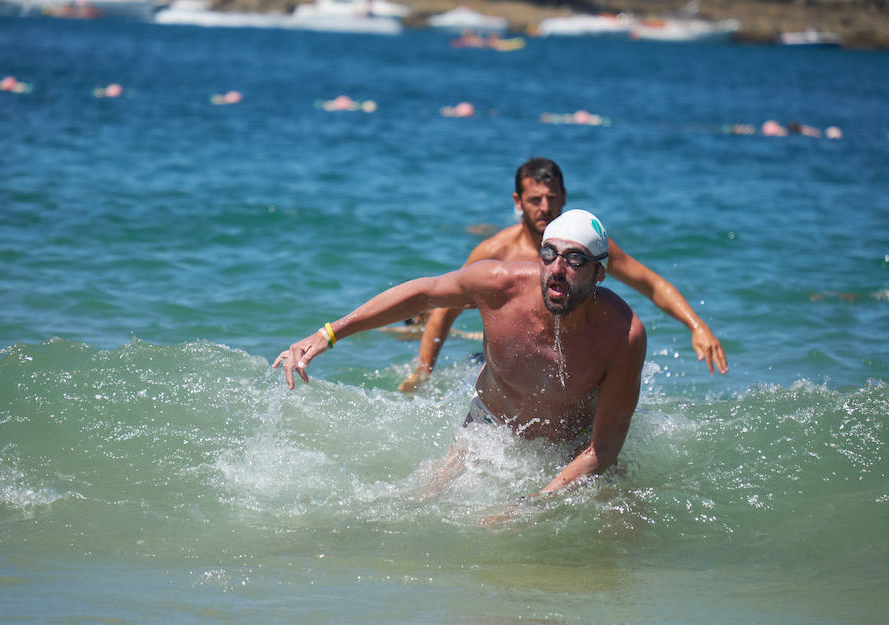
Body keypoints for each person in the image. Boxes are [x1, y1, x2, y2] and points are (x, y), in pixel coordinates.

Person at [273, 210, 646, 495]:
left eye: (576, 260)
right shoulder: (499, 286)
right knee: (419, 501)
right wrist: (329, 333)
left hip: (572, 444)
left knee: (617, 520)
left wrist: (532, 503)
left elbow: (603, 449)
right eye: (549, 254)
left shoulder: (622, 335)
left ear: (599, 273)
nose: (558, 269)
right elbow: (424, 293)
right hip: (489, 429)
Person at [398, 157, 727, 392]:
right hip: (509, 361)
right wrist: (422, 371)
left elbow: (651, 284)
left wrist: (697, 326)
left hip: (572, 359)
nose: (544, 208)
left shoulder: (587, 249)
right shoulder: (494, 252)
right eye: (535, 200)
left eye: (552, 198)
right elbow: (443, 311)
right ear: (518, 201)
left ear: (564, 198)